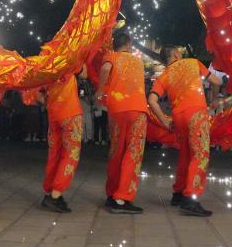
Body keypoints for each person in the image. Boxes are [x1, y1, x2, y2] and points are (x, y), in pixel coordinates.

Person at [148, 45, 222, 217]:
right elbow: (217, 81)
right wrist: (215, 99)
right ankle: (191, 197)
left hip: (178, 116)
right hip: (196, 112)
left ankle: (179, 193)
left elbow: (152, 101)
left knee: (186, 155)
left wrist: (165, 122)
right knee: (200, 154)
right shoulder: (193, 63)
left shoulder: (164, 75)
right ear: (175, 54)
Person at [96, 32, 148, 214]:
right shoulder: (137, 60)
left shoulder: (110, 56)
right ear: (129, 44)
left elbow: (104, 70)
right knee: (132, 152)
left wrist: (100, 92)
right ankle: (122, 198)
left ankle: (111, 194)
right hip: (137, 109)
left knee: (116, 150)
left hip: (116, 109)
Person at [40, 65, 86, 212]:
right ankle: (55, 195)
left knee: (55, 154)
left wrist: (49, 102)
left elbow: (37, 94)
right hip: (70, 113)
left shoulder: (45, 66)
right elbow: (84, 74)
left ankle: (50, 192)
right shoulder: (69, 60)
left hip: (54, 115)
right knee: (70, 155)